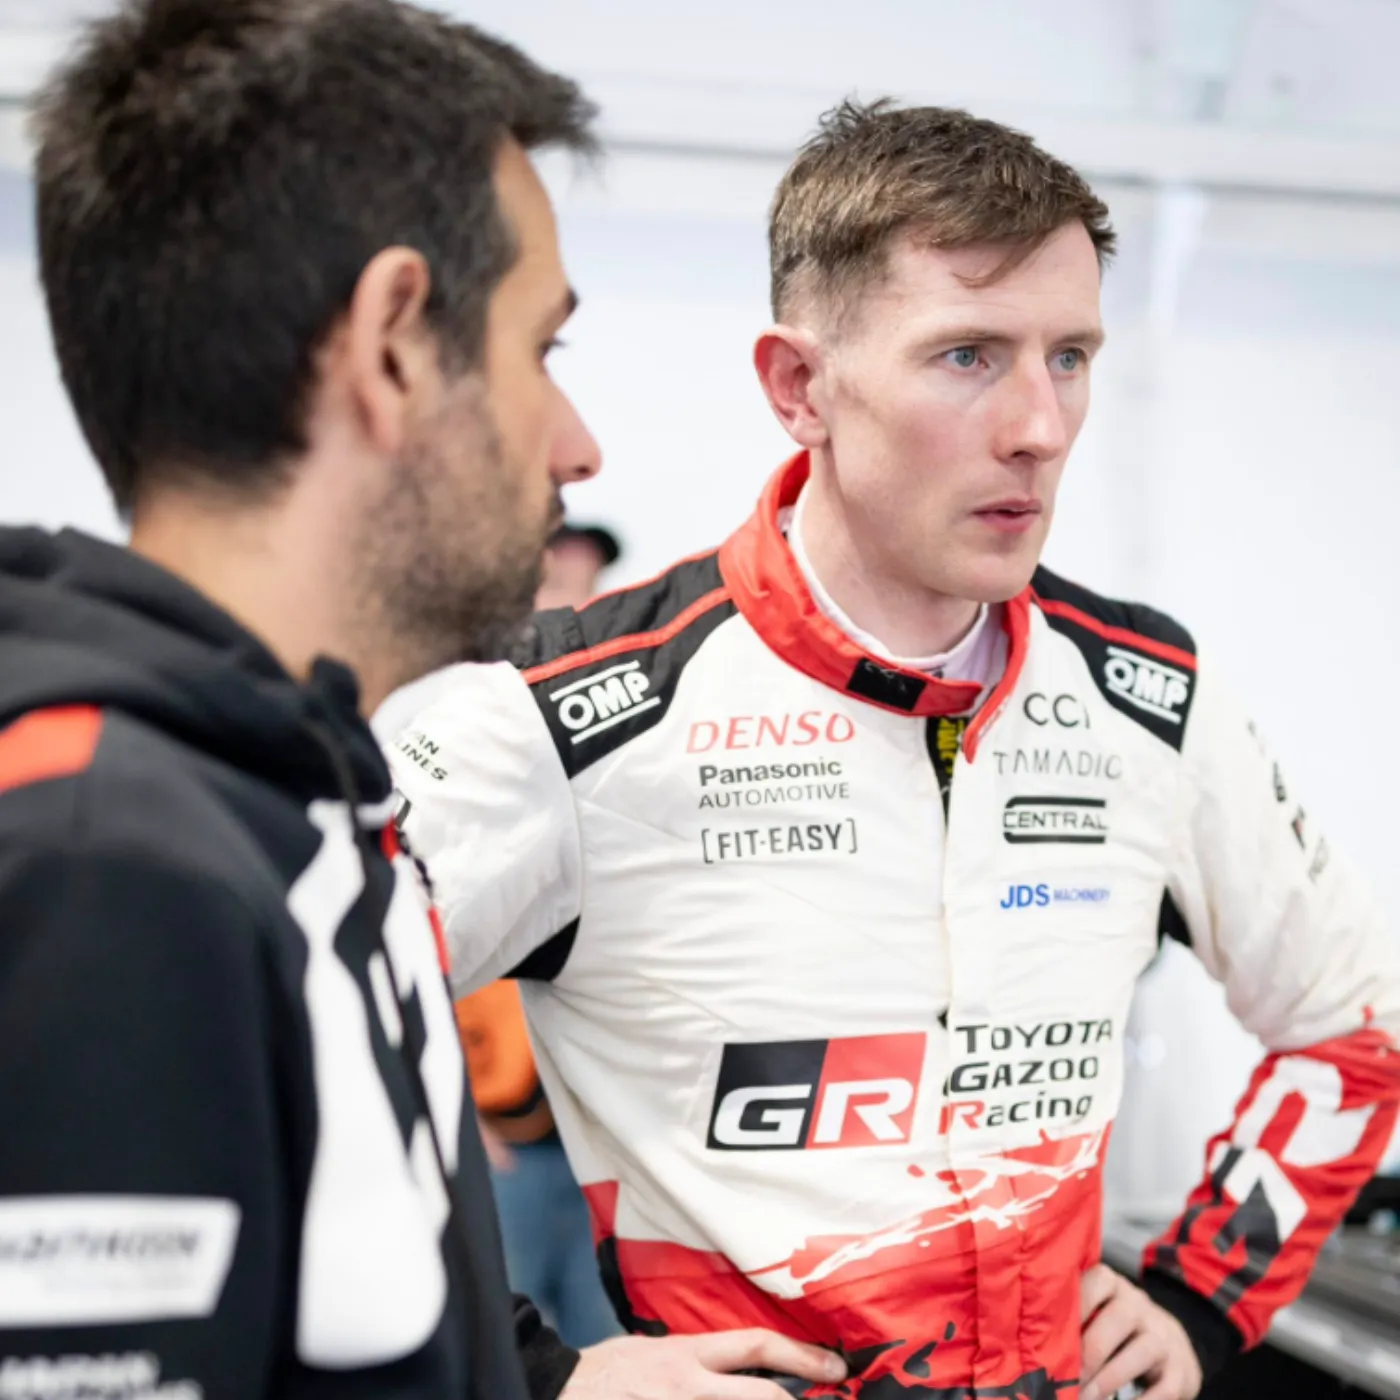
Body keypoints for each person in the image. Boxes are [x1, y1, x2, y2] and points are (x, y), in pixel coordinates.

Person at [389, 100, 1400, 1400]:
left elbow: (1352, 1024)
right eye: (968, 354)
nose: (1039, 425)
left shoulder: (1144, 698)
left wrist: (1204, 1296)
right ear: (799, 387)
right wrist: (544, 1376)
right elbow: (281, 1054)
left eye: (1070, 356)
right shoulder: (566, 715)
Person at [0, 3, 845, 1399]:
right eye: (540, 352)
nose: (578, 447)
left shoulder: (302, 803)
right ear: (393, 343)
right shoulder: (107, 869)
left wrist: (553, 1385)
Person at [460, 520, 625, 1347]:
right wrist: (459, 1118)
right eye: (558, 576)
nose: (575, 597)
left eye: (587, 580)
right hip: (506, 1138)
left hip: (607, 1137)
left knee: (610, 1340)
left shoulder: (626, 739)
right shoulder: (459, 731)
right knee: (504, 1342)